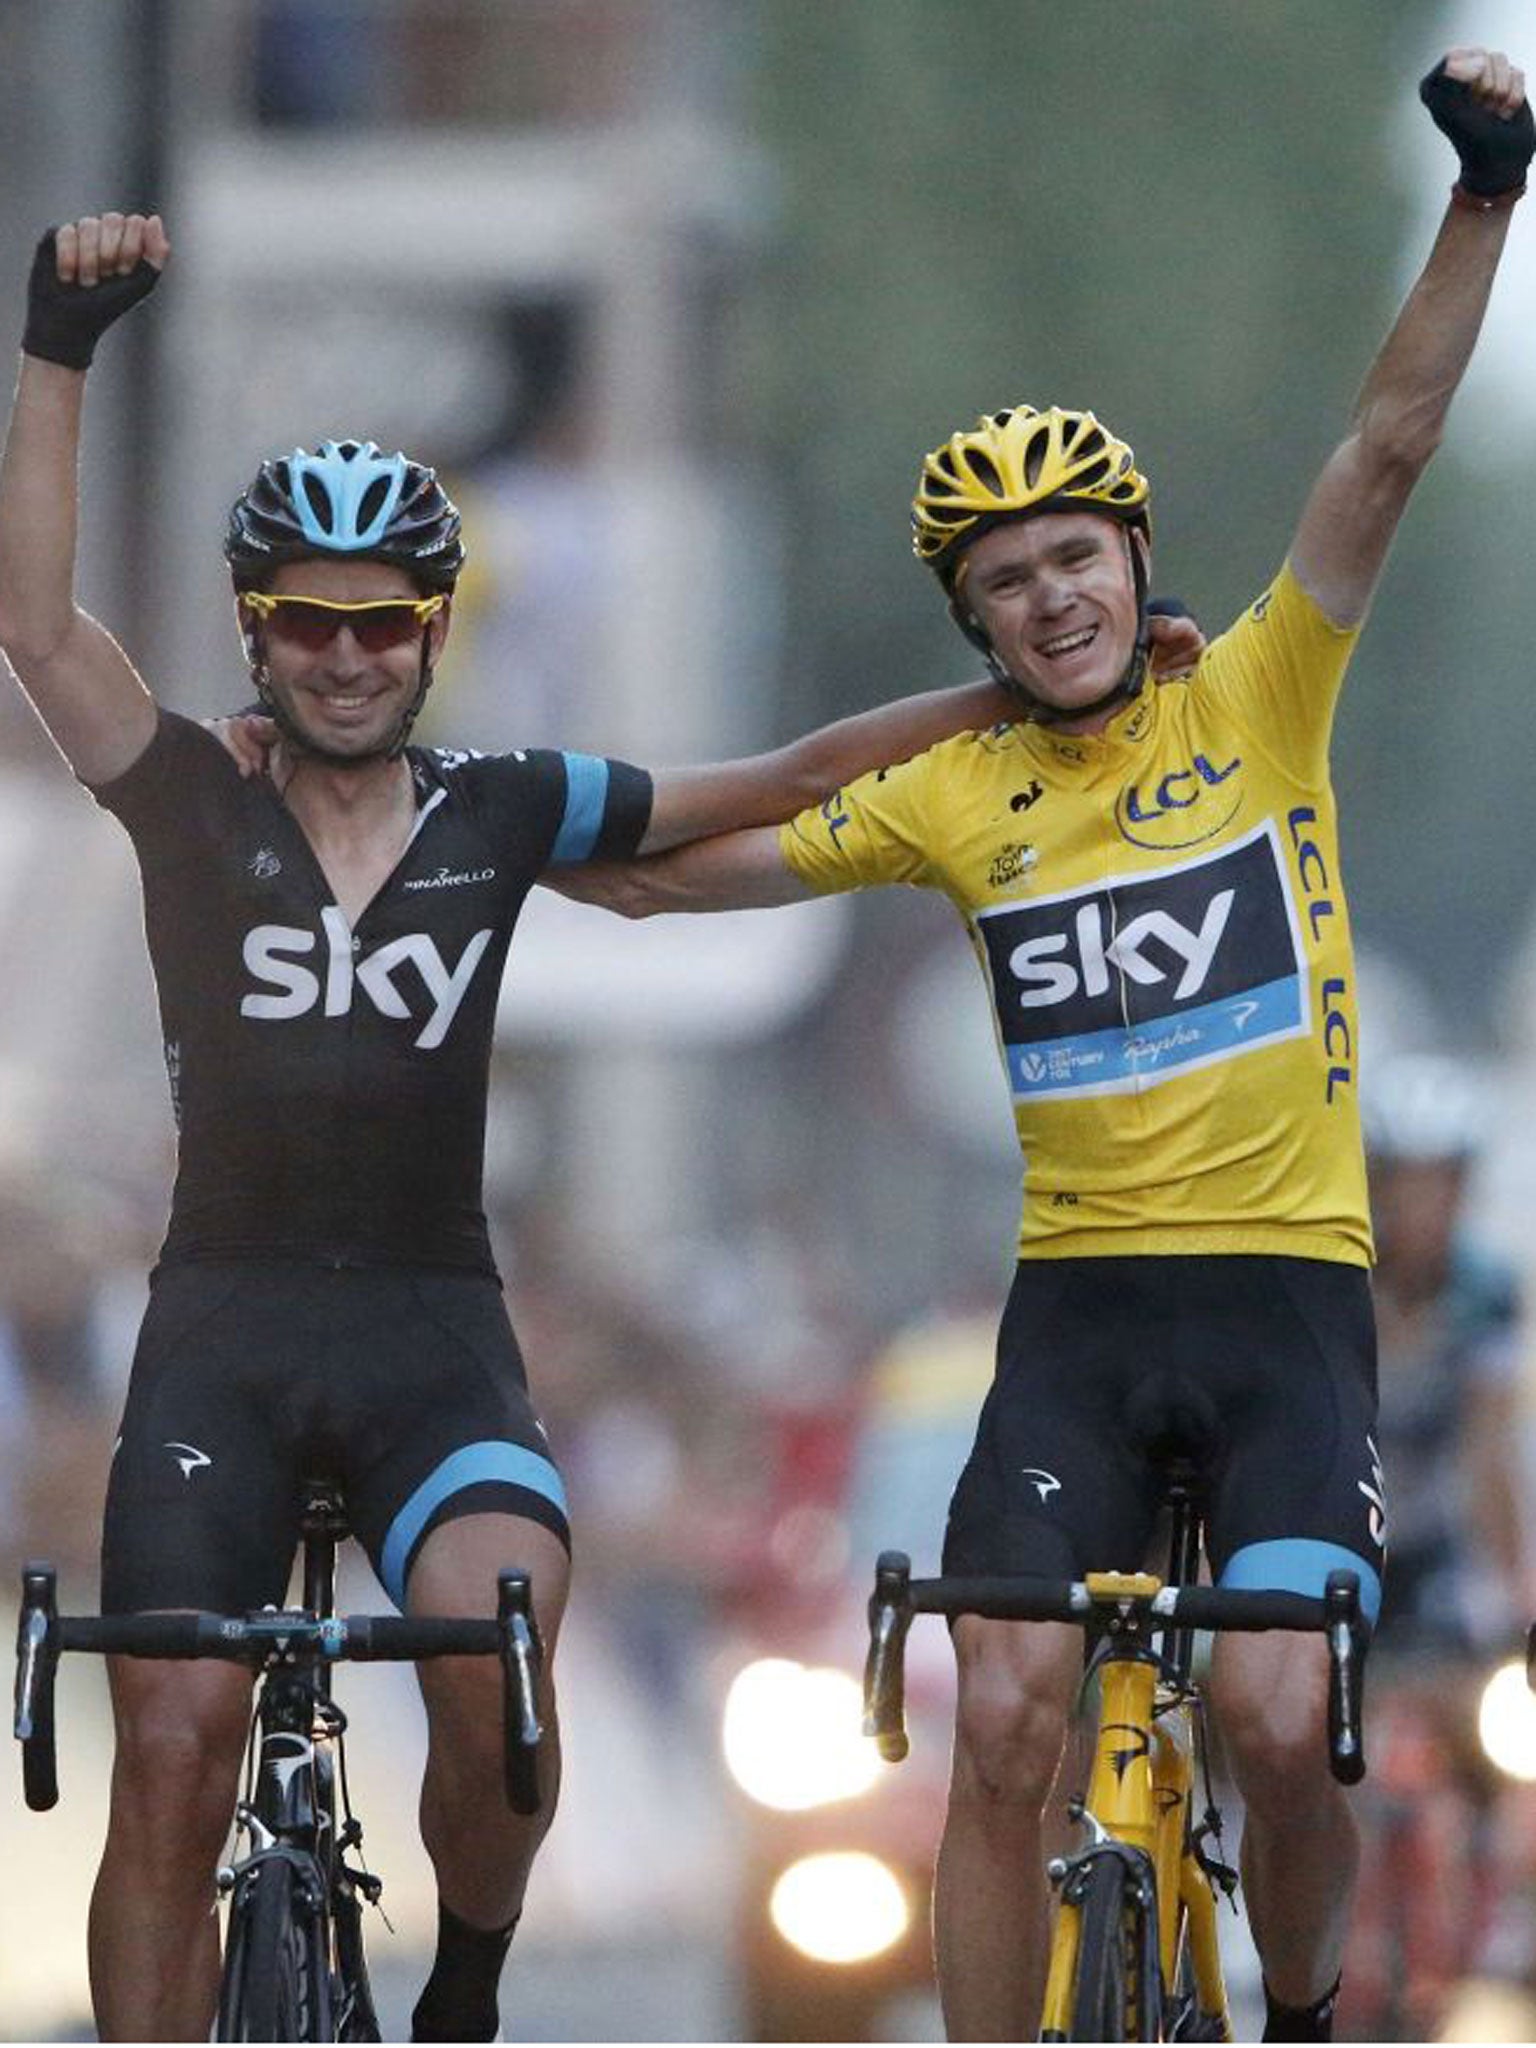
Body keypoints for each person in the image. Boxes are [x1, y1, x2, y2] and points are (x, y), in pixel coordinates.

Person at [0, 211, 1101, 2041]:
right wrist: (58, 344)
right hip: (223, 1336)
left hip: (439, 1335)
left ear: (433, 631)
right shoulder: (186, 792)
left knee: (506, 1669)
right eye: (307, 624)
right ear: (257, 632)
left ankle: (471, 1988)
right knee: (177, 1744)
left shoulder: (509, 806)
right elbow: (33, 622)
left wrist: (1030, 686)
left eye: (381, 626)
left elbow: (797, 775)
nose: (345, 658)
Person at [553, 46, 1534, 2044]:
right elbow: (668, 877)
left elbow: (1391, 441)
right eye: (1003, 585)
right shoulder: (955, 794)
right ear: (978, 631)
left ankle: (1313, 1992)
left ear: (1133, 556)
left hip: (1283, 1312)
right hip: (1078, 1319)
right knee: (998, 1712)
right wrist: (459, 819)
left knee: (1276, 1706)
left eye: (1072, 556)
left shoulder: (1255, 694)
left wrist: (1488, 192)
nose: (1049, 596)